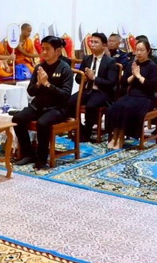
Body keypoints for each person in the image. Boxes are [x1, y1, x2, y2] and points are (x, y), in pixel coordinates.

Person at [12, 36, 74, 169]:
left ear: (57, 51)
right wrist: (39, 83)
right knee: (17, 118)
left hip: (58, 108)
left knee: (43, 123)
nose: (44, 52)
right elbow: (31, 91)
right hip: (38, 105)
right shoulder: (39, 67)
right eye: (42, 49)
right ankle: (28, 153)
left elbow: (65, 95)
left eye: (47, 49)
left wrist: (47, 84)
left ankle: (41, 159)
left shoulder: (65, 69)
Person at [105, 40, 157, 149]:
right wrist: (133, 76)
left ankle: (121, 137)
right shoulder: (131, 64)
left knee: (127, 107)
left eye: (142, 50)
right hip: (131, 95)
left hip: (146, 97)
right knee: (115, 107)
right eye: (137, 50)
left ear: (148, 51)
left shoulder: (152, 66)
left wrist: (138, 76)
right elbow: (123, 83)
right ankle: (114, 136)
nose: (138, 53)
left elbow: (153, 87)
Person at [68, 33, 119, 142]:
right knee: (70, 102)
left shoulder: (110, 62)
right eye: (91, 42)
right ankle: (80, 128)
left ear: (104, 45)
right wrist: (84, 78)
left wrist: (94, 78)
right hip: (87, 90)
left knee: (91, 106)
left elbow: (111, 83)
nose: (92, 44)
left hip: (102, 92)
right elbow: (78, 78)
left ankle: (87, 130)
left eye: (96, 42)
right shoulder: (86, 59)